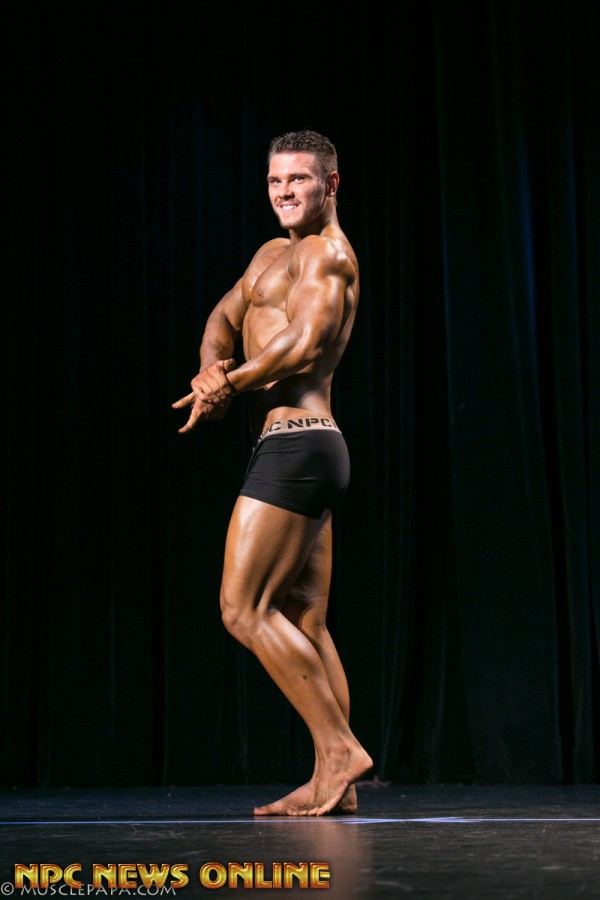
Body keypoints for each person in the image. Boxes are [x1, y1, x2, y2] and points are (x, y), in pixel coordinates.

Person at [172, 129, 372, 816]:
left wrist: (232, 384)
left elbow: (304, 344)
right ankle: (334, 784)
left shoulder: (329, 255)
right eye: (275, 181)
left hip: (300, 446)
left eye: (300, 180)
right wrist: (210, 368)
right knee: (305, 621)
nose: (285, 192)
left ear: (331, 184)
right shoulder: (270, 255)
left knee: (242, 608)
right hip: (297, 448)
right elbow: (224, 316)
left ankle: (340, 749)